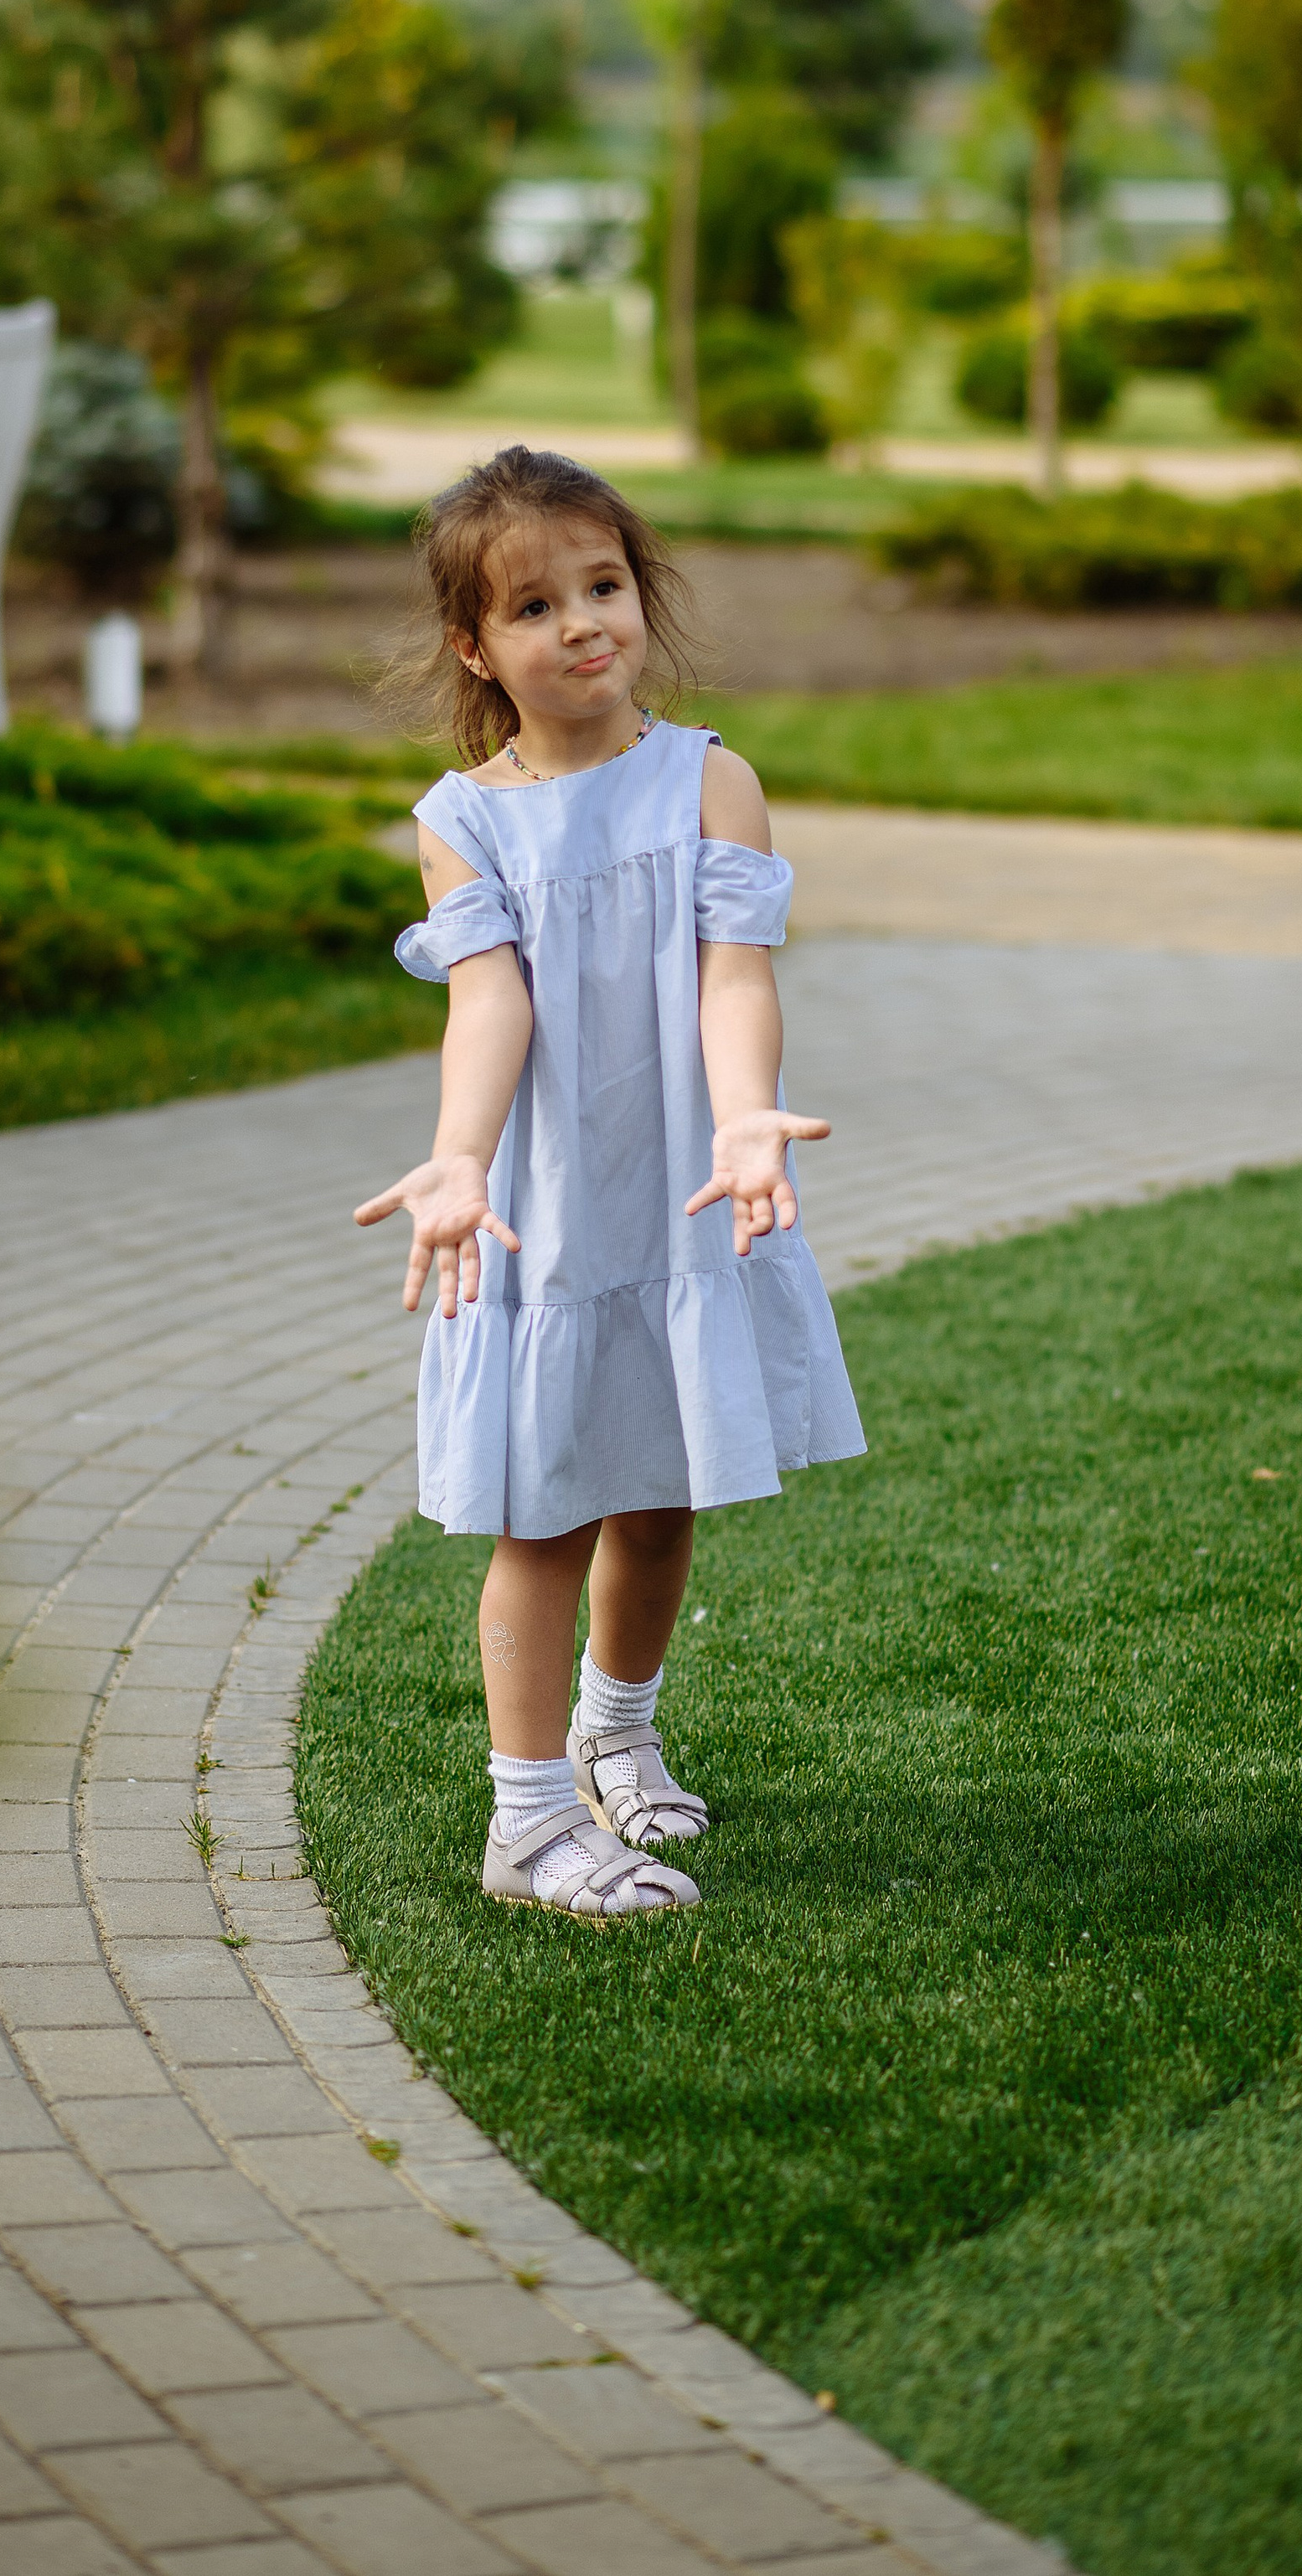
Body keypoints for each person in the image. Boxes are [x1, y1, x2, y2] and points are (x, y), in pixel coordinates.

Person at [355, 446, 865, 1919]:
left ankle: (616, 1734)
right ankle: (525, 1826)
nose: (583, 623)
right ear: (475, 646)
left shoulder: (712, 780)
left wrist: (747, 1118)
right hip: (553, 1213)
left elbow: (733, 974)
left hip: (684, 1191)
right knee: (550, 1514)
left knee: (665, 1488)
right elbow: (490, 1006)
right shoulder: (464, 820)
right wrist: (461, 1155)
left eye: (605, 585)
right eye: (535, 606)